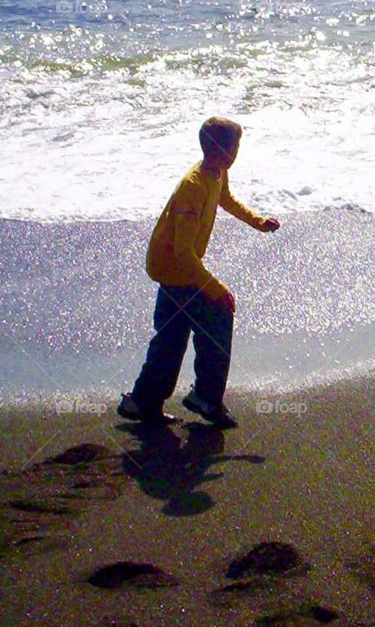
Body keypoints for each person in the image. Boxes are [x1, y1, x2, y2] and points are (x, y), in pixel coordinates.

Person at [118, 117, 280, 429]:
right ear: (223, 150)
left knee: (170, 337)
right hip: (176, 269)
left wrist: (258, 222)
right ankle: (205, 397)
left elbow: (226, 200)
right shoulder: (193, 187)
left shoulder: (217, 172)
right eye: (236, 145)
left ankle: (142, 402)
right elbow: (184, 255)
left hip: (175, 268)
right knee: (218, 315)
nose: (238, 151)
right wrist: (217, 289)